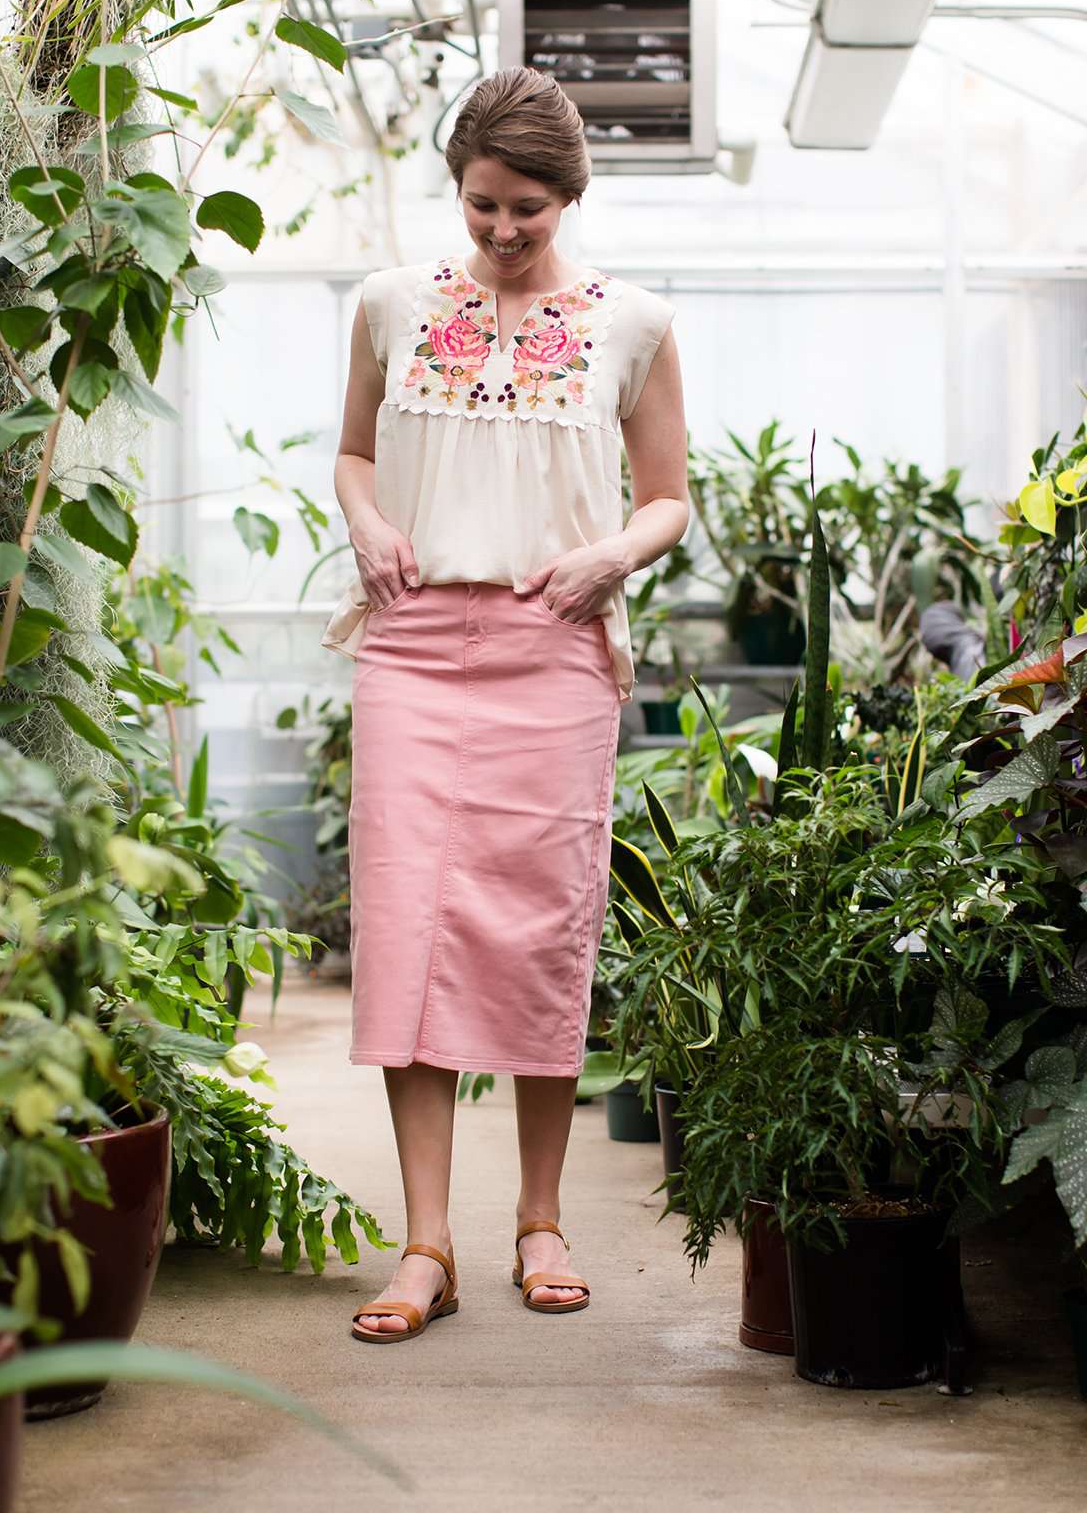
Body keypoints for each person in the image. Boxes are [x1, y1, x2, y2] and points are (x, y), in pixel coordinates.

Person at [321, 65, 689, 1343]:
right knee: (408, 931)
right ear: (459, 190)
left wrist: (612, 558)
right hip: (413, 649)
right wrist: (366, 526)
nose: (502, 231)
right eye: (483, 205)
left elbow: (667, 495)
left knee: (541, 933)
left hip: (554, 650)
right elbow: (357, 454)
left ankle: (540, 1220)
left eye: (528, 208)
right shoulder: (387, 305)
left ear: (568, 196)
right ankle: (425, 1245)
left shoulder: (630, 323)